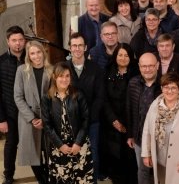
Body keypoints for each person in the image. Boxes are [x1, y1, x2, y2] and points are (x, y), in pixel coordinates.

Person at [142, 72, 179, 184]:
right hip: (159, 160)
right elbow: (147, 131)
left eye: (173, 87)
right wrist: (146, 154)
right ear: (161, 88)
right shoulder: (155, 105)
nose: (170, 91)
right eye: (166, 87)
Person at [41, 62, 93, 183]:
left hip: (79, 145)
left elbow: (86, 119)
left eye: (67, 76)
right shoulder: (47, 98)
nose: (64, 79)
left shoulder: (78, 94)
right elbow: (47, 124)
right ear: (54, 77)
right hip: (59, 147)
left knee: (81, 178)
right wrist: (60, 145)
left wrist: (78, 143)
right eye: (61, 76)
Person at [67, 32, 105, 183]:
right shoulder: (63, 68)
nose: (77, 48)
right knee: (72, 154)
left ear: (86, 47)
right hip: (70, 121)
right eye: (74, 45)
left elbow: (100, 96)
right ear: (69, 48)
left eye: (80, 45)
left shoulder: (95, 69)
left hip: (92, 121)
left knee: (93, 154)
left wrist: (88, 117)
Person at [13, 41, 52, 184]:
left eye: (39, 52)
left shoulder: (51, 70)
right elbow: (18, 97)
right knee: (33, 155)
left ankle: (49, 179)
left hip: (48, 119)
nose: (36, 56)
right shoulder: (22, 71)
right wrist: (33, 118)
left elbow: (56, 97)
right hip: (29, 120)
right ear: (28, 56)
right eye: (32, 53)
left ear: (43, 52)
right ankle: (42, 180)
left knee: (49, 153)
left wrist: (46, 118)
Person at [103, 43, 138, 183]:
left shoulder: (136, 73)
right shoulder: (107, 71)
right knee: (114, 158)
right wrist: (114, 121)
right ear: (115, 56)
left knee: (130, 159)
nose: (123, 58)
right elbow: (103, 98)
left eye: (126, 55)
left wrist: (126, 122)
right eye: (120, 55)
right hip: (112, 123)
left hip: (130, 122)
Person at [126, 53, 161, 184]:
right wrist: (130, 135)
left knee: (161, 170)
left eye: (151, 66)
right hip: (140, 137)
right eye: (144, 66)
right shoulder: (133, 83)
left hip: (161, 138)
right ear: (139, 67)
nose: (147, 69)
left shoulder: (165, 83)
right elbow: (129, 110)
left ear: (157, 65)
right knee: (142, 170)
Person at [0, 26, 26, 184]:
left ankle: (41, 171)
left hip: (30, 111)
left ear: (25, 40)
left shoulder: (30, 57)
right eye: (14, 40)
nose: (18, 43)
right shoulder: (1, 62)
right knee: (11, 144)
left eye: (21, 40)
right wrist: (1, 119)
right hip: (9, 112)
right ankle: (8, 175)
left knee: (35, 143)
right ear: (7, 41)